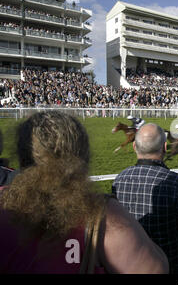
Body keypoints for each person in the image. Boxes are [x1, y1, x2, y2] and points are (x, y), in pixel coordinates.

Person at [0, 111, 168, 274]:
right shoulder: (103, 214)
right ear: (82, 154)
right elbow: (156, 270)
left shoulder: (3, 201)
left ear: (23, 155)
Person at [112, 123, 178, 274]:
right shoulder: (177, 183)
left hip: (130, 266)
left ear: (134, 146)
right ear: (165, 147)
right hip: (171, 266)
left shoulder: (119, 180)